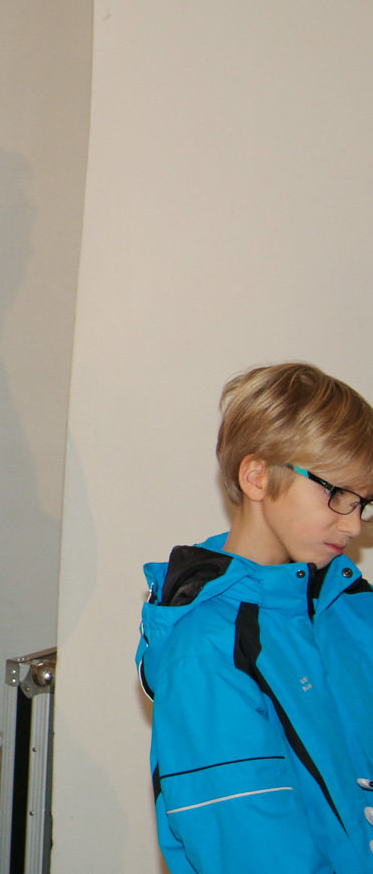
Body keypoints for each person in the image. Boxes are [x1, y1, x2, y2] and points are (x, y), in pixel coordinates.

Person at [137, 363, 373, 874]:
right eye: (337, 494)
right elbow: (255, 853)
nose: (354, 524)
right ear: (257, 476)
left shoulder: (353, 608)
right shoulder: (208, 651)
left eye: (364, 503)